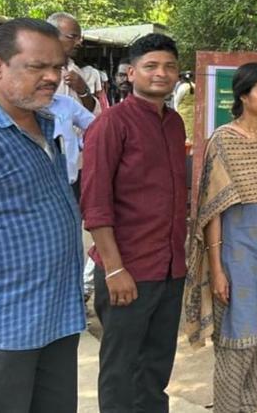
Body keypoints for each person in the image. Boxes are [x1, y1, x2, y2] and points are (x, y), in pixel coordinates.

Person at [0, 19, 85, 412]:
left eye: (57, 67)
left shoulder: (44, 125)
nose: (51, 77)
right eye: (36, 66)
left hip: (55, 321)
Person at [184, 62, 257, 413]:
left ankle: (250, 407)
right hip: (236, 255)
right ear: (243, 95)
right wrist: (217, 269)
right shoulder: (224, 140)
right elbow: (212, 211)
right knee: (236, 343)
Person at [81, 33, 187, 413]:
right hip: (128, 270)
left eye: (169, 66)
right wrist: (114, 269)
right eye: (151, 66)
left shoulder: (174, 124)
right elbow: (95, 205)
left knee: (156, 367)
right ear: (131, 73)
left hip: (171, 268)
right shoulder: (111, 124)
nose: (162, 73)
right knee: (121, 369)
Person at [47, 11, 103, 113]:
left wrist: (83, 90)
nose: (79, 43)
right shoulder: (35, 70)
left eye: (80, 39)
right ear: (52, 36)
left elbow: (90, 113)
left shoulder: (76, 70)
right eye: (73, 37)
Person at [49, 90, 96, 200]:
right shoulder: (12, 110)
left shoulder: (65, 103)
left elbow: (96, 127)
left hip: (70, 186)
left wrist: (79, 144)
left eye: (56, 71)